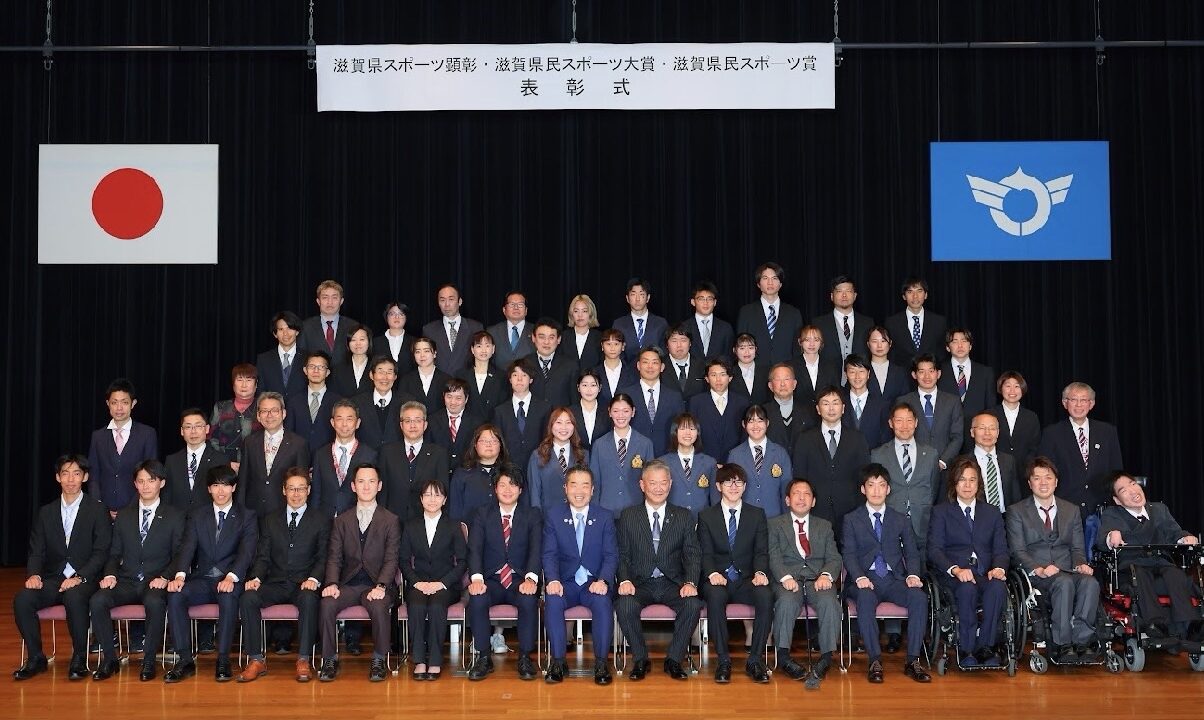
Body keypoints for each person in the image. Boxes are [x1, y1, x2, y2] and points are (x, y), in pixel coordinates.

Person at [12, 454, 111, 682]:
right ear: (58, 477)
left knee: (74, 597)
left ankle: (79, 658)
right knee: (23, 599)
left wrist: (80, 576)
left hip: (85, 578)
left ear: (85, 477)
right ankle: (36, 658)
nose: (70, 479)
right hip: (54, 578)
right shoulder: (46, 512)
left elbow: (101, 552)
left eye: (76, 474)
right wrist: (34, 574)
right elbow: (36, 550)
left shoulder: (97, 510)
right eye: (65, 474)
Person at [89, 460, 185, 682]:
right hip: (127, 580)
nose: (146, 486)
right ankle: (110, 659)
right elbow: (114, 553)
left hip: (155, 580)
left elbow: (180, 554)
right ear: (134, 484)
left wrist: (165, 577)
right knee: (97, 600)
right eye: (140, 481)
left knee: (154, 602)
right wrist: (110, 574)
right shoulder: (124, 515)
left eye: (151, 480)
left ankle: (149, 660)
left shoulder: (175, 515)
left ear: (161, 483)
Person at [165, 465, 259, 683]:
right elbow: (188, 547)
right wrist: (179, 576)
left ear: (233, 487)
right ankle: (184, 659)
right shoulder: (198, 515)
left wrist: (231, 577)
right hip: (203, 579)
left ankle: (223, 659)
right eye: (216, 485)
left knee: (227, 597)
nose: (221, 491)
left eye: (225, 485)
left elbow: (247, 552)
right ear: (209, 489)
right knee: (176, 594)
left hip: (230, 579)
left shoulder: (247, 516)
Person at [237, 466, 331, 683]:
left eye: (301, 488)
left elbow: (323, 557)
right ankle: (256, 659)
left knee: (309, 599)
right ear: (283, 490)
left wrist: (314, 579)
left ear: (308, 490)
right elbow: (263, 556)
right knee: (248, 598)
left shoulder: (321, 520)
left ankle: (304, 659)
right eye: (291, 489)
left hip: (303, 583)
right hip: (276, 582)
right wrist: (256, 578)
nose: (296, 494)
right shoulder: (270, 519)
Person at [614, 460, 704, 681]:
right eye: (652, 483)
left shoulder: (683, 516)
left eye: (663, 483)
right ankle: (640, 659)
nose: (658, 488)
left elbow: (692, 554)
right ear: (642, 485)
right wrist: (624, 580)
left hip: (672, 582)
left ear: (670, 484)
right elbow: (623, 554)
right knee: (624, 605)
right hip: (640, 582)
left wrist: (690, 582)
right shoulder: (628, 516)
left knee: (692, 605)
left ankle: (674, 659)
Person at [841, 464, 931, 684]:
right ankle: (874, 660)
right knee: (864, 599)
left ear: (888, 489)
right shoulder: (852, 519)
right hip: (865, 580)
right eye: (871, 485)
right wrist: (859, 576)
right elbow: (848, 553)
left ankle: (913, 660)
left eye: (881, 485)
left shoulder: (900, 519)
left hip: (893, 580)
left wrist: (913, 574)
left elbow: (911, 552)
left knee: (919, 598)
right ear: (863, 489)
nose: (876, 490)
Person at [1006, 457, 1099, 663]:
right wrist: (1038, 569)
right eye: (1037, 478)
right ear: (1029, 483)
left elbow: (1077, 548)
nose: (1043, 482)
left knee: (1090, 583)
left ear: (1056, 482)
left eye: (1048, 478)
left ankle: (1082, 641)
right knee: (1063, 583)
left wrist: (1080, 563)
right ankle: (1062, 644)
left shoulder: (1072, 510)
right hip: (1036, 575)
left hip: (1067, 570)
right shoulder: (1016, 511)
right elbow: (1017, 551)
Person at [317, 463, 401, 682]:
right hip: (349, 584)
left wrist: (382, 586)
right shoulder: (341, 520)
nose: (366, 486)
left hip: (377, 584)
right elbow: (334, 556)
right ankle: (329, 659)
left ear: (379, 486)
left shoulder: (390, 520)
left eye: (371, 481)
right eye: (361, 482)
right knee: (327, 604)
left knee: (379, 606)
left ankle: (379, 659)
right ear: (353, 486)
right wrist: (332, 583)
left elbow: (391, 558)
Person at [1097, 472, 1200, 645]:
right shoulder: (1112, 514)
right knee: (1139, 575)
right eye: (1123, 490)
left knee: (1175, 574)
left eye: (1133, 484)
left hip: (1160, 563)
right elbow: (1102, 540)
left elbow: (1174, 533)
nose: (1132, 491)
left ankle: (1190, 626)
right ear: (1117, 500)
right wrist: (1111, 536)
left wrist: (1185, 538)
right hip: (1132, 567)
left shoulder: (1159, 509)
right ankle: (1155, 623)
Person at [927, 456, 1010, 668]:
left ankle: (986, 647)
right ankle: (967, 649)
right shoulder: (941, 512)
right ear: (954, 483)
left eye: (972, 480)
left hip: (984, 573)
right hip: (955, 576)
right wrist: (955, 569)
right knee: (967, 590)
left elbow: (1001, 550)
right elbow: (934, 550)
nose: (967, 485)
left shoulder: (991, 513)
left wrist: (999, 568)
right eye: (962, 480)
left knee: (997, 588)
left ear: (978, 483)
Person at [541, 465, 617, 685]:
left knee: (603, 602)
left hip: (593, 582)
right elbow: (549, 553)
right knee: (553, 600)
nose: (579, 491)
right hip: (566, 582)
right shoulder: (554, 515)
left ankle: (601, 663)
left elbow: (611, 555)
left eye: (585, 485)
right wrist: (553, 579)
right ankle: (558, 662)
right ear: (565, 488)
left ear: (592, 490)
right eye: (574, 485)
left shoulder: (604, 517)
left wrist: (603, 580)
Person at [697, 464, 773, 684]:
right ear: (718, 486)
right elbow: (705, 552)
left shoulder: (756, 514)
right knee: (715, 595)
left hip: (746, 579)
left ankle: (755, 660)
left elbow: (761, 551)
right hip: (718, 578)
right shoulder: (706, 516)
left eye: (738, 482)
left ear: (745, 486)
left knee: (766, 595)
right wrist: (712, 573)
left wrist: (760, 572)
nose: (733, 486)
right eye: (728, 482)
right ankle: (723, 661)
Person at [466, 466, 543, 681]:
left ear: (521, 489)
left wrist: (531, 578)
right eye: (502, 485)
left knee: (528, 600)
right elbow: (475, 549)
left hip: (519, 579)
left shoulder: (532, 515)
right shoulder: (482, 514)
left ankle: (525, 657)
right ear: (495, 488)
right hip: (491, 579)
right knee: (477, 599)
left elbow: (536, 550)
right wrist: (477, 578)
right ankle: (483, 656)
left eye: (513, 484)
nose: (508, 490)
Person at [767, 477, 842, 689]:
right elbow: (773, 556)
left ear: (814, 501)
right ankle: (783, 657)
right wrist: (785, 577)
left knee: (829, 602)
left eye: (807, 494)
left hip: (817, 579)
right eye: (796, 494)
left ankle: (826, 657)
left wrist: (826, 575)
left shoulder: (824, 526)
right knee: (786, 602)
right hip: (788, 579)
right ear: (787, 500)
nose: (801, 498)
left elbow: (834, 558)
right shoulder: (774, 525)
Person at [1037, 382, 1124, 550]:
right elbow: (1045, 472)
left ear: (1091, 404)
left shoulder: (1107, 432)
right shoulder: (1052, 433)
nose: (1078, 405)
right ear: (1065, 403)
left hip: (1100, 508)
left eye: (1083, 400)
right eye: (1073, 400)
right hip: (1065, 509)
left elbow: (1116, 471)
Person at [399, 478, 467, 682]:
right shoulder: (411, 526)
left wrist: (442, 583)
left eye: (437, 495)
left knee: (437, 606)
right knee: (417, 606)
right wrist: (416, 582)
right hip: (418, 583)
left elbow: (462, 562)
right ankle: (419, 660)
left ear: (444, 500)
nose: (432, 499)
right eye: (427, 494)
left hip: (446, 585)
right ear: (421, 499)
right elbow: (403, 561)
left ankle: (435, 660)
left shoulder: (453, 526)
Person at [792, 387, 871, 528]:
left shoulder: (857, 439)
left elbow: (864, 477)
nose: (831, 408)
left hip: (850, 510)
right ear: (818, 409)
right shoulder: (805, 439)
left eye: (835, 403)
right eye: (825, 403)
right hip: (816, 510)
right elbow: (800, 475)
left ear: (843, 408)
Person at [88, 377, 159, 517]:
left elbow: (151, 474)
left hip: (136, 510)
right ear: (108, 404)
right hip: (103, 512)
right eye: (114, 402)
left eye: (124, 402)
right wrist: (100, 507)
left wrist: (130, 509)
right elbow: (93, 476)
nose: (119, 408)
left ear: (133, 403)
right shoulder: (98, 437)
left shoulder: (147, 434)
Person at [238, 392, 310, 519]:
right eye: (264, 411)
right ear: (258, 416)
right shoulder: (250, 442)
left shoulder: (298, 444)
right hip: (253, 512)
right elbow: (243, 480)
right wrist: (240, 510)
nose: (269, 415)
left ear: (284, 413)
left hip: (283, 512)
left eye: (274, 410)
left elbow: (301, 482)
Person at [379, 401, 450, 522]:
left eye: (417, 421)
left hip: (426, 521)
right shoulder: (387, 452)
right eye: (408, 421)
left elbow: (443, 490)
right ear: (401, 425)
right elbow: (383, 490)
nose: (413, 425)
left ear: (425, 425)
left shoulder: (439, 453)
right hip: (392, 520)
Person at [589, 393, 655, 513]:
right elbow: (595, 481)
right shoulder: (599, 444)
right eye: (616, 411)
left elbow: (650, 480)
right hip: (606, 510)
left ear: (633, 412)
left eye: (625, 411)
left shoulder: (645, 444)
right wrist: (595, 511)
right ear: (609, 412)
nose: (620, 416)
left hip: (636, 510)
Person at [312, 399, 378, 518]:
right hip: (325, 519)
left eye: (349, 419)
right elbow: (316, 493)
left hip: (357, 519)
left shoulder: (370, 455)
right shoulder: (320, 454)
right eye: (339, 419)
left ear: (357, 423)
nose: (344, 424)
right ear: (332, 422)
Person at [936, 328, 997, 451]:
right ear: (947, 347)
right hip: (946, 436)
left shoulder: (985, 372)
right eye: (955, 341)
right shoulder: (938, 372)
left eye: (964, 341)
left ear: (970, 346)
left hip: (977, 436)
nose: (960, 345)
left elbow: (990, 406)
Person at [725, 405, 790, 517]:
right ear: (744, 424)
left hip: (774, 518)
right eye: (751, 421)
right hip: (745, 517)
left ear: (767, 423)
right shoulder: (735, 455)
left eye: (760, 421)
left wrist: (786, 518)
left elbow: (786, 490)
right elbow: (730, 490)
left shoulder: (780, 453)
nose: (756, 426)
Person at [620, 346, 685, 456]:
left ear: (662, 367)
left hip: (667, 456)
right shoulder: (625, 395)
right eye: (645, 362)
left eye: (655, 362)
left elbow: (681, 429)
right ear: (638, 366)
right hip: (633, 456)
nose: (650, 366)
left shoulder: (674, 397)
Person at [901, 353, 963, 470]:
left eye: (931, 371)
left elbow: (957, 436)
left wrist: (943, 461)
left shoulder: (952, 401)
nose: (927, 376)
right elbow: (900, 435)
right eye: (921, 371)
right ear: (914, 375)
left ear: (938, 374)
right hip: (913, 467)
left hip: (945, 468)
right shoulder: (904, 401)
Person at [736, 262, 804, 364]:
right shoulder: (746, 312)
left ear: (780, 284)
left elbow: (798, 347)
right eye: (765, 278)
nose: (770, 282)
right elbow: (740, 344)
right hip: (755, 369)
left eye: (774, 278)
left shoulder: (794, 313)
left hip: (785, 370)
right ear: (758, 284)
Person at [494, 358, 551, 473]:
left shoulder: (544, 408)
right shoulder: (500, 411)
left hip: (538, 467)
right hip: (509, 470)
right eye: (515, 375)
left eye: (524, 375)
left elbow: (547, 440)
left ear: (531, 380)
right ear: (510, 379)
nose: (519, 379)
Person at [164, 408, 226, 513]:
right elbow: (167, 494)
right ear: (182, 431)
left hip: (208, 518)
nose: (193, 431)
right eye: (188, 427)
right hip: (178, 518)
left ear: (207, 429)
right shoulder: (172, 460)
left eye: (198, 426)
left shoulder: (220, 459)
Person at [657, 412, 718, 518]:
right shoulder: (662, 462)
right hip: (672, 520)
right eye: (682, 429)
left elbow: (715, 497)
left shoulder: (710, 463)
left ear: (697, 433)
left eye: (692, 429)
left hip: (702, 519)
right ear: (675, 432)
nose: (687, 433)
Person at [528, 407, 589, 509]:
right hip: (548, 515)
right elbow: (534, 493)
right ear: (551, 425)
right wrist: (537, 515)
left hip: (577, 513)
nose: (564, 427)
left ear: (574, 426)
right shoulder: (538, 455)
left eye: (568, 422)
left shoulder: (584, 455)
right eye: (559, 422)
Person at [688, 358, 748, 460]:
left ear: (730, 378)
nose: (718, 379)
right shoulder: (696, 402)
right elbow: (692, 434)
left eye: (723, 374)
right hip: (704, 461)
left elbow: (745, 435)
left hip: (735, 461)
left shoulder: (742, 402)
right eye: (713, 375)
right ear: (707, 379)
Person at [449, 423, 509, 522]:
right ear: (475, 445)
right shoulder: (462, 474)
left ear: (501, 445)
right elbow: (455, 511)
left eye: (494, 441)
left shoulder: (509, 473)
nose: (489, 444)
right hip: (470, 529)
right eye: (483, 441)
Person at [284, 350, 342, 452]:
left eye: (321, 367)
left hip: (328, 456)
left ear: (327, 372)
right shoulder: (293, 401)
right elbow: (289, 434)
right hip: (299, 457)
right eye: (311, 366)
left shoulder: (338, 402)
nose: (316, 371)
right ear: (305, 370)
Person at [883, 277, 947, 366]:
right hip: (901, 372)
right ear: (904, 296)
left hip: (929, 373)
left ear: (926, 295)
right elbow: (891, 353)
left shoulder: (939, 322)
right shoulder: (892, 323)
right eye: (910, 292)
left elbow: (942, 353)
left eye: (919, 291)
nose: (915, 296)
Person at [422, 283, 484, 375]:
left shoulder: (475, 327)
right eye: (442, 300)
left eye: (451, 299)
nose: (447, 304)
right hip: (440, 382)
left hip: (467, 381)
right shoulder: (429, 330)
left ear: (460, 301)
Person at [969, 412, 1025, 513]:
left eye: (992, 428)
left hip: (1005, 518)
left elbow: (1015, 495)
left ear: (998, 433)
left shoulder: (1009, 460)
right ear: (972, 432)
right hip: (976, 518)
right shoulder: (963, 462)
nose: (987, 433)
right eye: (982, 428)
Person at [813, 275, 874, 365]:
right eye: (839, 291)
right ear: (832, 296)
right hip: (828, 373)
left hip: (859, 373)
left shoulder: (868, 323)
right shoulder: (819, 323)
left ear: (855, 296)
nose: (844, 295)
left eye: (848, 291)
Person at [209, 365, 261, 470]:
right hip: (223, 469)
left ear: (256, 385)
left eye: (249, 380)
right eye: (240, 380)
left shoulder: (263, 408)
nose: (244, 385)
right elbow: (210, 438)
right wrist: (225, 462)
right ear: (233, 384)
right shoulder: (221, 407)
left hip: (255, 468)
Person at [989, 371, 1042, 473]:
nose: (1012, 391)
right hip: (996, 470)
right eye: (1008, 386)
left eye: (1017, 386)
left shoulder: (1031, 417)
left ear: (1022, 389)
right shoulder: (990, 414)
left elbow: (1035, 446)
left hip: (1024, 471)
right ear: (1001, 388)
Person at [300, 280, 361, 367]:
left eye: (334, 298)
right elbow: (301, 358)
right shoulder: (305, 327)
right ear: (318, 301)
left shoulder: (354, 326)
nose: (330, 302)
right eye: (325, 297)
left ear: (341, 301)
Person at [427, 377, 483, 469]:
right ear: (443, 396)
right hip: (439, 471)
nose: (453, 402)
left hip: (467, 472)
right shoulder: (432, 420)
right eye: (449, 397)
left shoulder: (477, 423)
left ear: (466, 399)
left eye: (458, 398)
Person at [351, 355, 406, 449]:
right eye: (380, 372)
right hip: (365, 456)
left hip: (397, 455)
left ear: (395, 376)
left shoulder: (406, 401)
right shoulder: (356, 402)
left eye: (389, 372)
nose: (385, 377)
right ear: (371, 375)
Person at [612, 277, 669, 362]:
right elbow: (616, 353)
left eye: (641, 294)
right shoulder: (619, 324)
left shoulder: (660, 323)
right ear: (627, 298)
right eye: (633, 294)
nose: (637, 299)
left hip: (654, 368)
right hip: (626, 369)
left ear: (648, 298)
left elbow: (665, 351)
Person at [528, 317, 580, 408]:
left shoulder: (570, 366)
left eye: (551, 337)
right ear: (533, 338)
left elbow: (575, 400)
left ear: (558, 339)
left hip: (561, 416)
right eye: (542, 337)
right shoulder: (524, 364)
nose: (546, 342)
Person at [255, 310, 307, 400]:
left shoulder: (308, 358)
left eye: (289, 328)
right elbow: (260, 391)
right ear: (275, 334)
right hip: (272, 408)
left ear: (297, 331)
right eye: (281, 329)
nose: (285, 333)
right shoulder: (263, 359)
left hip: (301, 408)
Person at [789, 324, 843, 409]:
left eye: (816, 340)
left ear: (821, 342)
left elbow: (836, 392)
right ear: (800, 342)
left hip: (825, 413)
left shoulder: (831, 366)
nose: (812, 344)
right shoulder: (791, 366)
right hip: (798, 413)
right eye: (807, 340)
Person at [456, 330, 506, 419]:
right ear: (472, 349)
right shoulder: (461, 375)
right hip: (467, 424)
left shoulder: (501, 376)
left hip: (492, 424)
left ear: (493, 349)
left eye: (487, 346)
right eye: (479, 346)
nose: (483, 350)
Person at [843, 354, 890, 449]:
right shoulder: (839, 403)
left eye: (861, 371)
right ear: (846, 375)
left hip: (873, 456)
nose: (857, 376)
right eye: (852, 372)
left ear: (868, 374)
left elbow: (886, 439)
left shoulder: (882, 405)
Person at [395, 336, 451, 417]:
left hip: (440, 423)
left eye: (426, 351)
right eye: (418, 352)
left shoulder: (447, 379)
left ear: (434, 354)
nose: (422, 355)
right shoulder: (406, 380)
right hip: (413, 423)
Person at [763, 362, 812, 452]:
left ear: (794, 384)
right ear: (770, 386)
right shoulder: (762, 413)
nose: (782, 384)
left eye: (787, 379)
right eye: (778, 379)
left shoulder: (809, 412)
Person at [682, 281, 735, 363]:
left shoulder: (726, 328)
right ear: (693, 302)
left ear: (715, 302)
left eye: (710, 299)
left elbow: (730, 356)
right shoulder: (684, 327)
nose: (706, 303)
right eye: (701, 299)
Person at [487, 290, 536, 370]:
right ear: (504, 310)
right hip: (499, 377)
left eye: (520, 305)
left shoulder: (536, 331)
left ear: (526, 310)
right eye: (512, 304)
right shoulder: (492, 332)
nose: (516, 308)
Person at [865, 325, 910, 403]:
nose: (879, 346)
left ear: (890, 343)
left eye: (883, 341)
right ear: (868, 344)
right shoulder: (862, 371)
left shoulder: (900, 372)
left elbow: (905, 399)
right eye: (875, 341)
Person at [661, 325, 706, 400]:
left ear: (690, 343)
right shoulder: (659, 365)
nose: (679, 345)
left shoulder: (702, 365)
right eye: (674, 341)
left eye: (683, 340)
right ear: (667, 345)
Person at [371, 301, 416, 376]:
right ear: (386, 317)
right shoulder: (375, 342)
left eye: (401, 314)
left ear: (406, 318)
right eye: (392, 314)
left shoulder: (415, 342)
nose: (396, 317)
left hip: (409, 382)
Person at [570, 368, 611, 449]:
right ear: (578, 387)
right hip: (577, 455)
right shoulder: (569, 412)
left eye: (593, 385)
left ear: (600, 388)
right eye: (585, 385)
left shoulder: (608, 411)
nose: (589, 390)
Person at [329, 325, 374, 398]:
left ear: (369, 341)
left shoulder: (376, 367)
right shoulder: (338, 369)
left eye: (362, 339)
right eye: (353, 340)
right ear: (348, 343)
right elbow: (333, 395)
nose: (358, 343)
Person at [594, 327, 637, 403]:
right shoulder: (594, 373)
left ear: (623, 346)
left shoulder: (633, 373)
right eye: (608, 344)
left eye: (616, 344)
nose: (612, 348)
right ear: (602, 346)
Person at [729, 333, 771, 406]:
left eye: (750, 348)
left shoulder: (767, 371)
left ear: (756, 349)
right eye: (742, 348)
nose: (747, 352)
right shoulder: (729, 372)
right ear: (734, 350)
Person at [564, 294, 603, 369]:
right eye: (576, 311)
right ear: (572, 314)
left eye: (584, 311)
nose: (580, 315)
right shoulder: (563, 337)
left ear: (590, 314)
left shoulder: (600, 337)